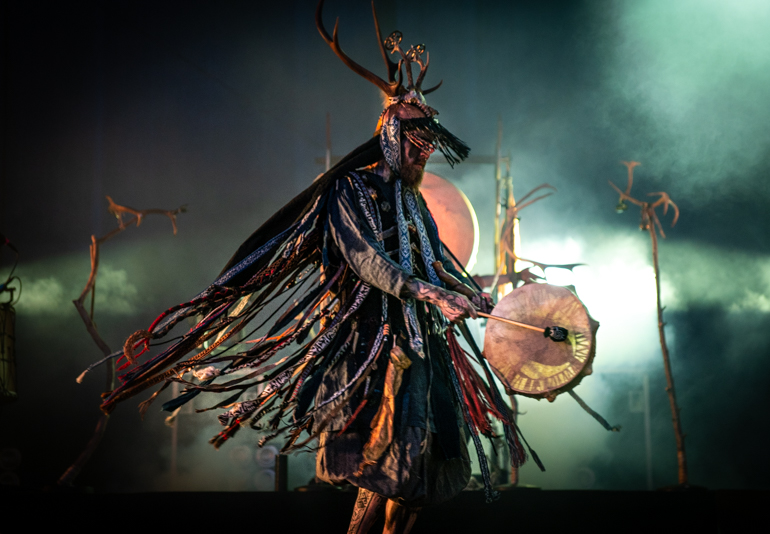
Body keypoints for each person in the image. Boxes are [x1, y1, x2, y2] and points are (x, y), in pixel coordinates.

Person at [95, 2, 535, 532]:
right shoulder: (351, 189)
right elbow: (365, 258)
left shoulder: (416, 203)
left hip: (425, 345)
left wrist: (472, 292)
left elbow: (438, 258)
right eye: (416, 146)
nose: (423, 157)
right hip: (374, 343)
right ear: (392, 138)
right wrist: (427, 292)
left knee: (422, 470)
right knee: (388, 463)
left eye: (427, 150)